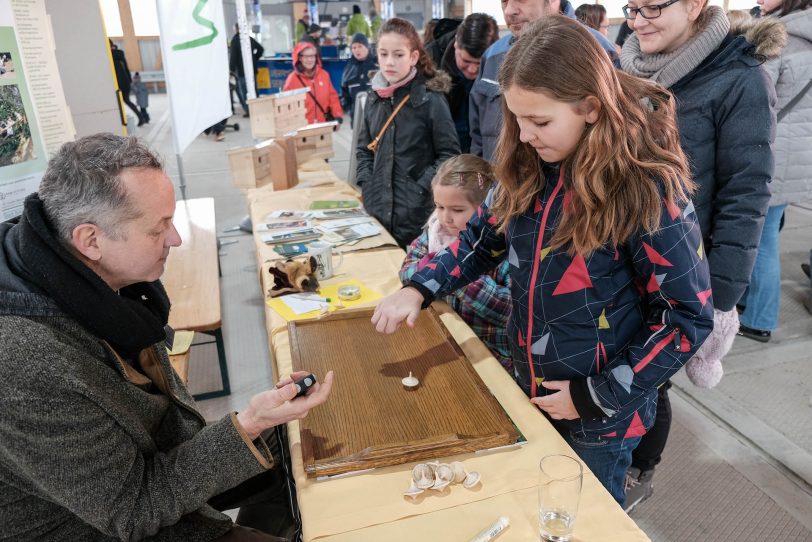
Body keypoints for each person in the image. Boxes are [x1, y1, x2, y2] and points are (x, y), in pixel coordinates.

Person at [372, 16, 713, 505]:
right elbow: (478, 242)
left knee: (585, 513)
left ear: (590, 107)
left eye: (540, 121)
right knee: (534, 505)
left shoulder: (647, 188)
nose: (525, 135)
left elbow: (685, 318)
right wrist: (419, 286)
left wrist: (593, 396)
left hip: (601, 415)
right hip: (528, 384)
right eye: (516, 119)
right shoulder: (526, 166)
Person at [0, 133, 335, 540]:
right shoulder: (24, 361)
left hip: (152, 472)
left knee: (292, 442)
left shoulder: (89, 276)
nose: (175, 239)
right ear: (90, 240)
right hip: (103, 525)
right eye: (158, 228)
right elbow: (135, 509)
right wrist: (247, 424)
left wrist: (254, 425)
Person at [619, 0, 781, 511]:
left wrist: (723, 295)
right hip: (617, 258)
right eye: (631, 7)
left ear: (694, 5)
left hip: (684, 268)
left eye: (652, 6)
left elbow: (745, 191)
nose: (638, 19)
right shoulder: (623, 70)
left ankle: (638, 470)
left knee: (648, 379)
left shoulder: (738, 78)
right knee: (616, 370)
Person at [738, 0, 812, 341]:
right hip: (800, 154)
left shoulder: (779, 39)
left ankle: (759, 318)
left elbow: (756, 102)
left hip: (773, 152)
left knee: (760, 239)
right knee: (768, 232)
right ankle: (751, 305)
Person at [400, 154, 512, 371]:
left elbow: (509, 311)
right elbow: (407, 270)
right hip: (445, 340)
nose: (445, 218)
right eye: (439, 206)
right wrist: (440, 274)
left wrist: (450, 275)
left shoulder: (504, 248)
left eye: (457, 210)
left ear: (486, 210)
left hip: (491, 358)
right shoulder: (435, 231)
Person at [469, 0, 619, 161]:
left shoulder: (597, 50)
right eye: (504, 1)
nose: (509, 11)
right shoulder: (492, 55)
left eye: (541, 122)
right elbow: (477, 135)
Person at [355, 18, 460, 247]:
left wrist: (420, 188)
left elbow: (449, 155)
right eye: (383, 54)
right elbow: (364, 149)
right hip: (378, 211)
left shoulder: (431, 99)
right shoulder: (374, 97)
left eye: (398, 54)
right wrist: (367, 183)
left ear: (413, 57)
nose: (389, 62)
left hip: (416, 217)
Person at [427, 13, 499, 152]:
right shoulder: (429, 62)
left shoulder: (504, 59)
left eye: (479, 63)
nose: (472, 70)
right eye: (466, 61)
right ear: (456, 45)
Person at [283, 42, 343, 124]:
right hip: (302, 128)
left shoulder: (324, 75)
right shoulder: (292, 79)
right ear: (299, 58)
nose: (309, 60)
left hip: (322, 126)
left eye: (312, 56)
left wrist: (337, 115)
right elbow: (285, 106)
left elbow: (332, 97)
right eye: (306, 56)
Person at [341, 32, 378, 127]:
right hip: (357, 117)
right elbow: (344, 93)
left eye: (360, 46)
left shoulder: (377, 65)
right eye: (354, 47)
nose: (357, 50)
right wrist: (350, 110)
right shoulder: (348, 69)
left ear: (367, 47)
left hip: (377, 117)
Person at [230, 24, 265, 118]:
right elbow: (261, 49)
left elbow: (233, 57)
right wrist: (254, 59)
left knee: (245, 91)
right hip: (252, 69)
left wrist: (231, 70)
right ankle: (257, 108)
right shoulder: (249, 38)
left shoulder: (235, 40)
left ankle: (249, 110)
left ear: (236, 29)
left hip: (241, 71)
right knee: (254, 89)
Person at [109, 40, 145, 126]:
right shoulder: (119, 53)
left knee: (123, 101)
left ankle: (138, 118)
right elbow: (126, 68)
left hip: (121, 83)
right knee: (126, 101)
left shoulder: (111, 55)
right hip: (125, 82)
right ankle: (141, 117)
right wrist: (129, 81)